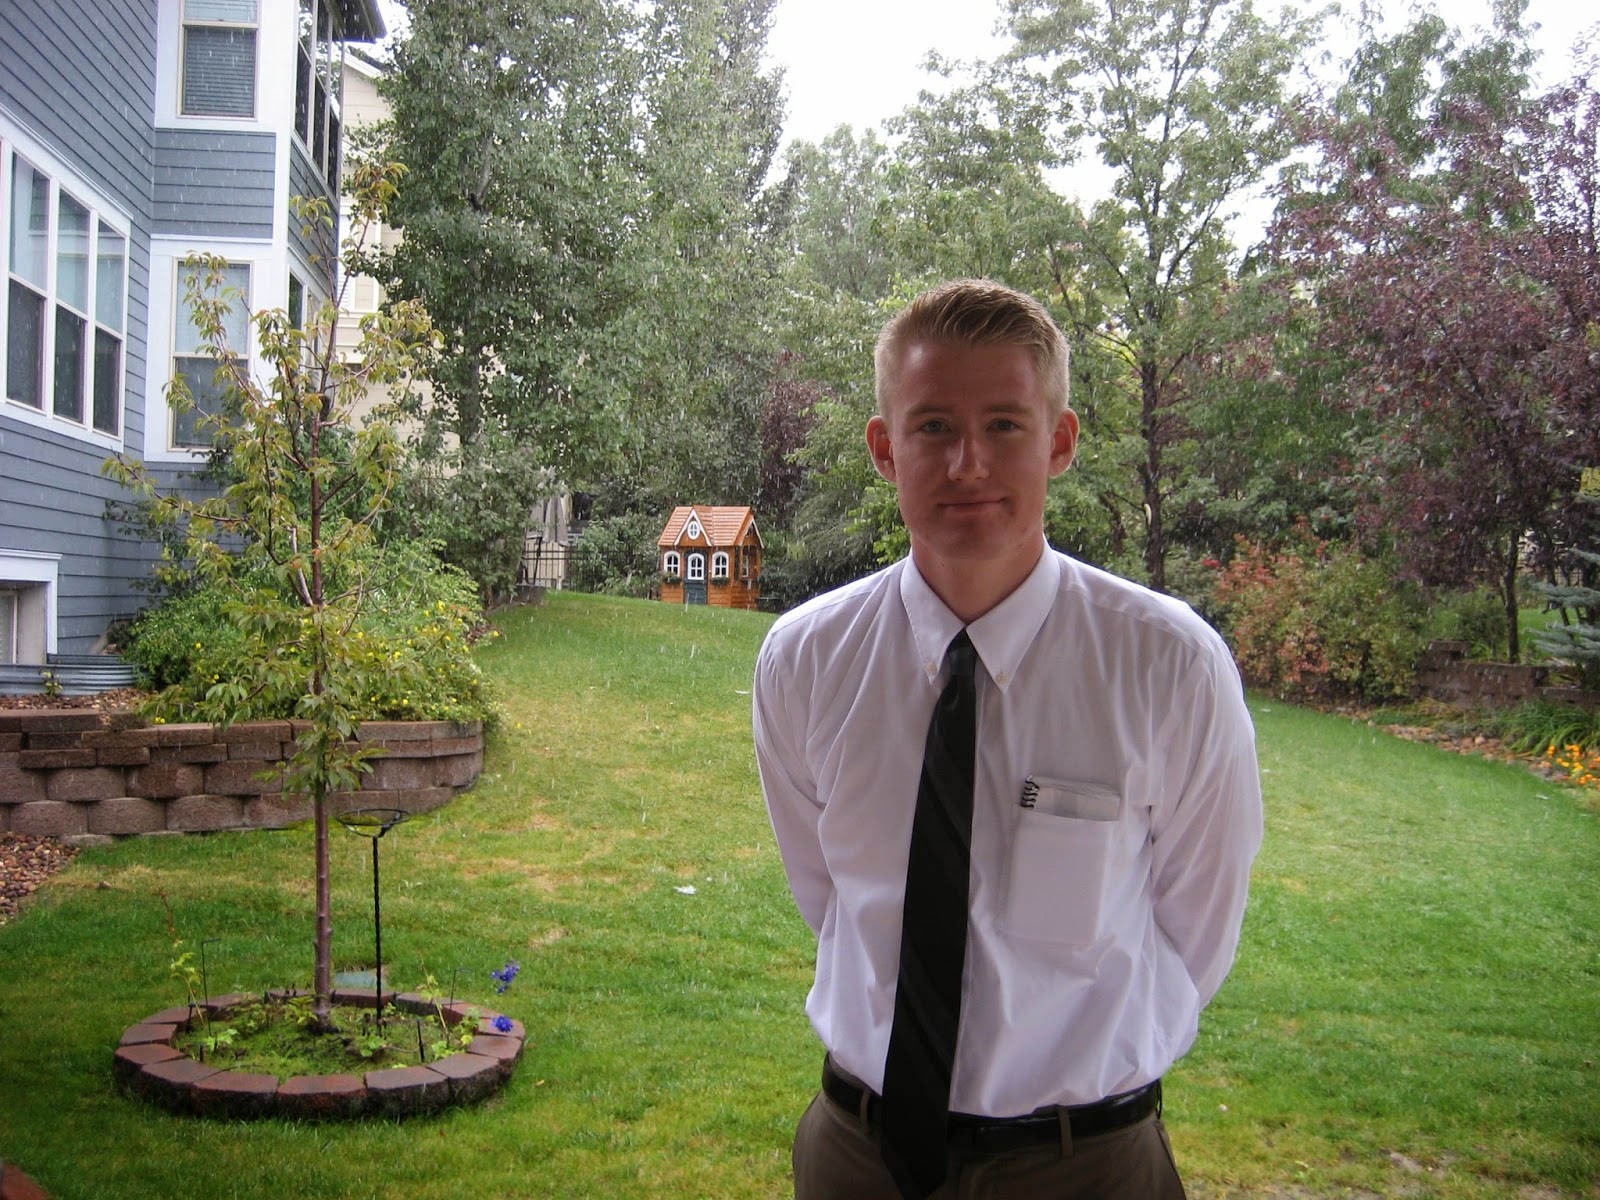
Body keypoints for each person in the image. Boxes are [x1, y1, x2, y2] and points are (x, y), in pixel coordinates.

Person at [751, 279, 1262, 1199]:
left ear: (1059, 442)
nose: (968, 464)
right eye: (933, 426)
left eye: (1005, 425)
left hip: (1086, 1168)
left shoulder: (1168, 667)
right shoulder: (807, 661)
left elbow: (1199, 925)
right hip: (860, 1160)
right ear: (885, 448)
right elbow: (830, 900)